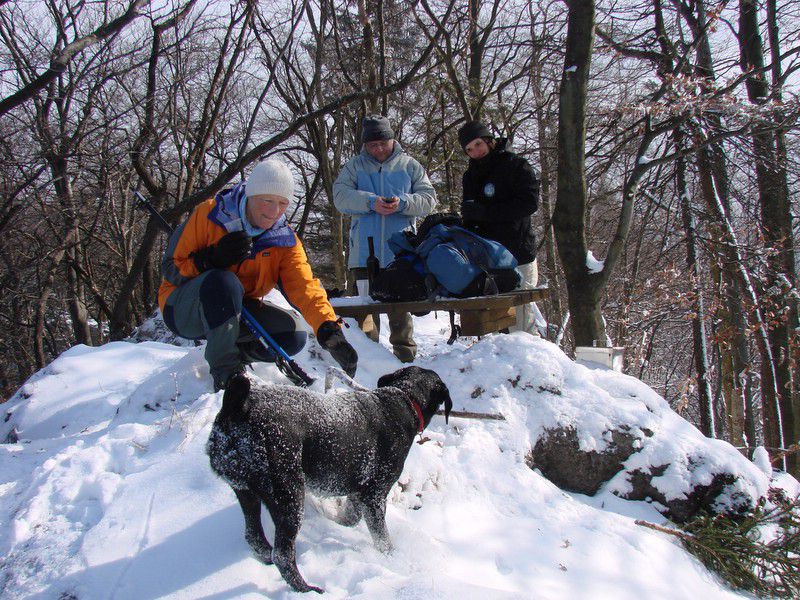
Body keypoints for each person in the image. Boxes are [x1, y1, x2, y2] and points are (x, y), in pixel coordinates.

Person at [158, 158, 358, 391]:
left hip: (237, 309)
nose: (274, 211)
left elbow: (304, 287)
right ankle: (227, 374)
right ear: (251, 195)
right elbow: (171, 268)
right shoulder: (210, 215)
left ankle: (230, 351)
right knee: (223, 281)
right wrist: (209, 260)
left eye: (282, 203)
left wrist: (328, 328)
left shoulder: (283, 240)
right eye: (266, 200)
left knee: (293, 335)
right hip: (182, 307)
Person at [333, 114, 436, 362]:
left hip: (399, 254)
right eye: (372, 145)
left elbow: (429, 200)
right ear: (365, 145)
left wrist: (402, 204)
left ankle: (405, 357)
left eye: (383, 143)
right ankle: (369, 361)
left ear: (392, 140)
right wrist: (370, 202)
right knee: (365, 311)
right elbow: (340, 198)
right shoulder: (354, 166)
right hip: (363, 255)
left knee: (399, 310)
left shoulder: (410, 165)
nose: (378, 149)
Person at [457, 120, 540, 335]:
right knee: (493, 323)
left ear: (488, 140)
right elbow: (471, 213)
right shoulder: (470, 176)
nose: (475, 151)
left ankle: (529, 365)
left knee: (521, 320)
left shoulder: (516, 165)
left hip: (517, 252)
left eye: (477, 144)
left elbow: (529, 202)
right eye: (469, 149)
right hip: (487, 258)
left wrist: (487, 212)